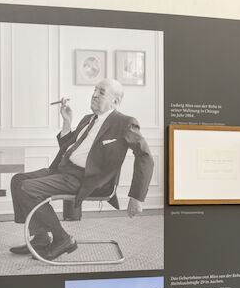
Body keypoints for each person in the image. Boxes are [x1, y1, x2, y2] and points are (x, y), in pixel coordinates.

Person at [9, 79, 154, 260]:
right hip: (63, 170)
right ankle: (40, 238)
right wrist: (67, 122)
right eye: (94, 90)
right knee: (18, 180)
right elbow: (67, 147)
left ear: (115, 102)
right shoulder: (88, 119)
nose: (94, 94)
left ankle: (62, 239)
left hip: (84, 179)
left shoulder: (124, 123)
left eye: (101, 92)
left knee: (27, 188)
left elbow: (145, 156)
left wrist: (137, 197)